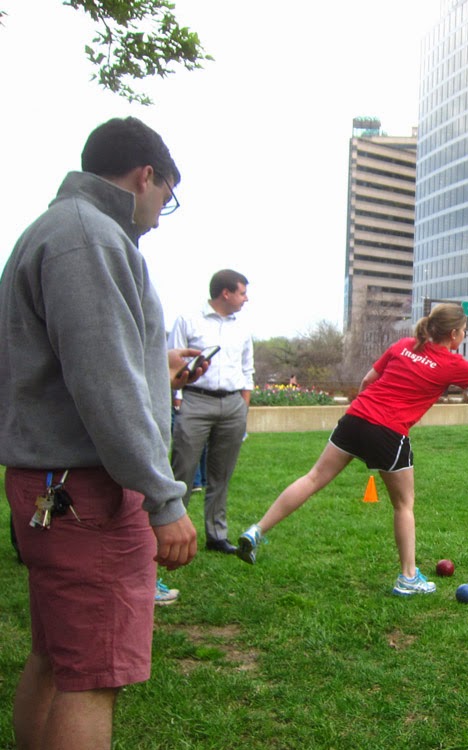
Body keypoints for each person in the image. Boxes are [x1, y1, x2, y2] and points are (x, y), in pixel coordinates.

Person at [0, 117, 199, 750]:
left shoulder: (62, 230)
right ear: (146, 177)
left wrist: (154, 364)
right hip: (84, 493)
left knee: (58, 660)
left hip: (55, 490)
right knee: (91, 676)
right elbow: (105, 388)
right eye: (165, 197)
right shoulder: (90, 238)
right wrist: (164, 499)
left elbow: (83, 364)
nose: (161, 216)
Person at [237, 303, 468, 595]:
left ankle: (256, 530)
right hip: (388, 431)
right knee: (404, 505)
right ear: (454, 334)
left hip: (355, 418)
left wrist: (360, 410)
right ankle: (408, 577)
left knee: (314, 478)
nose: (464, 334)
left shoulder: (403, 346)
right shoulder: (454, 363)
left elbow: (367, 380)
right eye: (464, 329)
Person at [169, 269, 254, 554]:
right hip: (195, 402)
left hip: (232, 405)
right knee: (183, 470)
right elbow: (174, 363)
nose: (246, 298)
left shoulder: (242, 327)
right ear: (225, 293)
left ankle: (217, 535)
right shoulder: (188, 320)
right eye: (242, 292)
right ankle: (169, 528)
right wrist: (178, 400)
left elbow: (247, 369)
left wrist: (243, 405)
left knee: (222, 474)